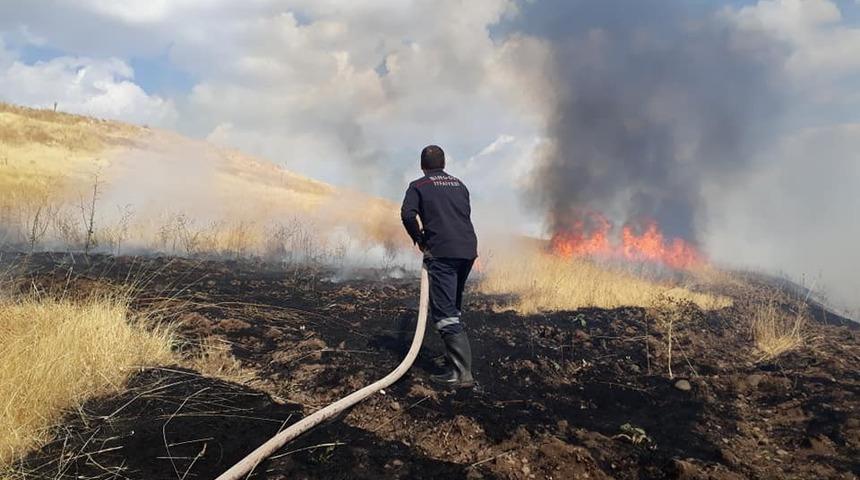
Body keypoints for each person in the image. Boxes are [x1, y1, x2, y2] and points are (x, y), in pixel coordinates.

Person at [401, 145, 478, 388]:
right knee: (453, 307)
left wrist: (420, 240)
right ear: (443, 164)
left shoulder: (419, 185)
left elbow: (406, 214)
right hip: (467, 250)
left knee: (444, 313)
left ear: (422, 165)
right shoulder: (460, 185)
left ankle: (461, 374)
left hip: (443, 252)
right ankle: (454, 361)